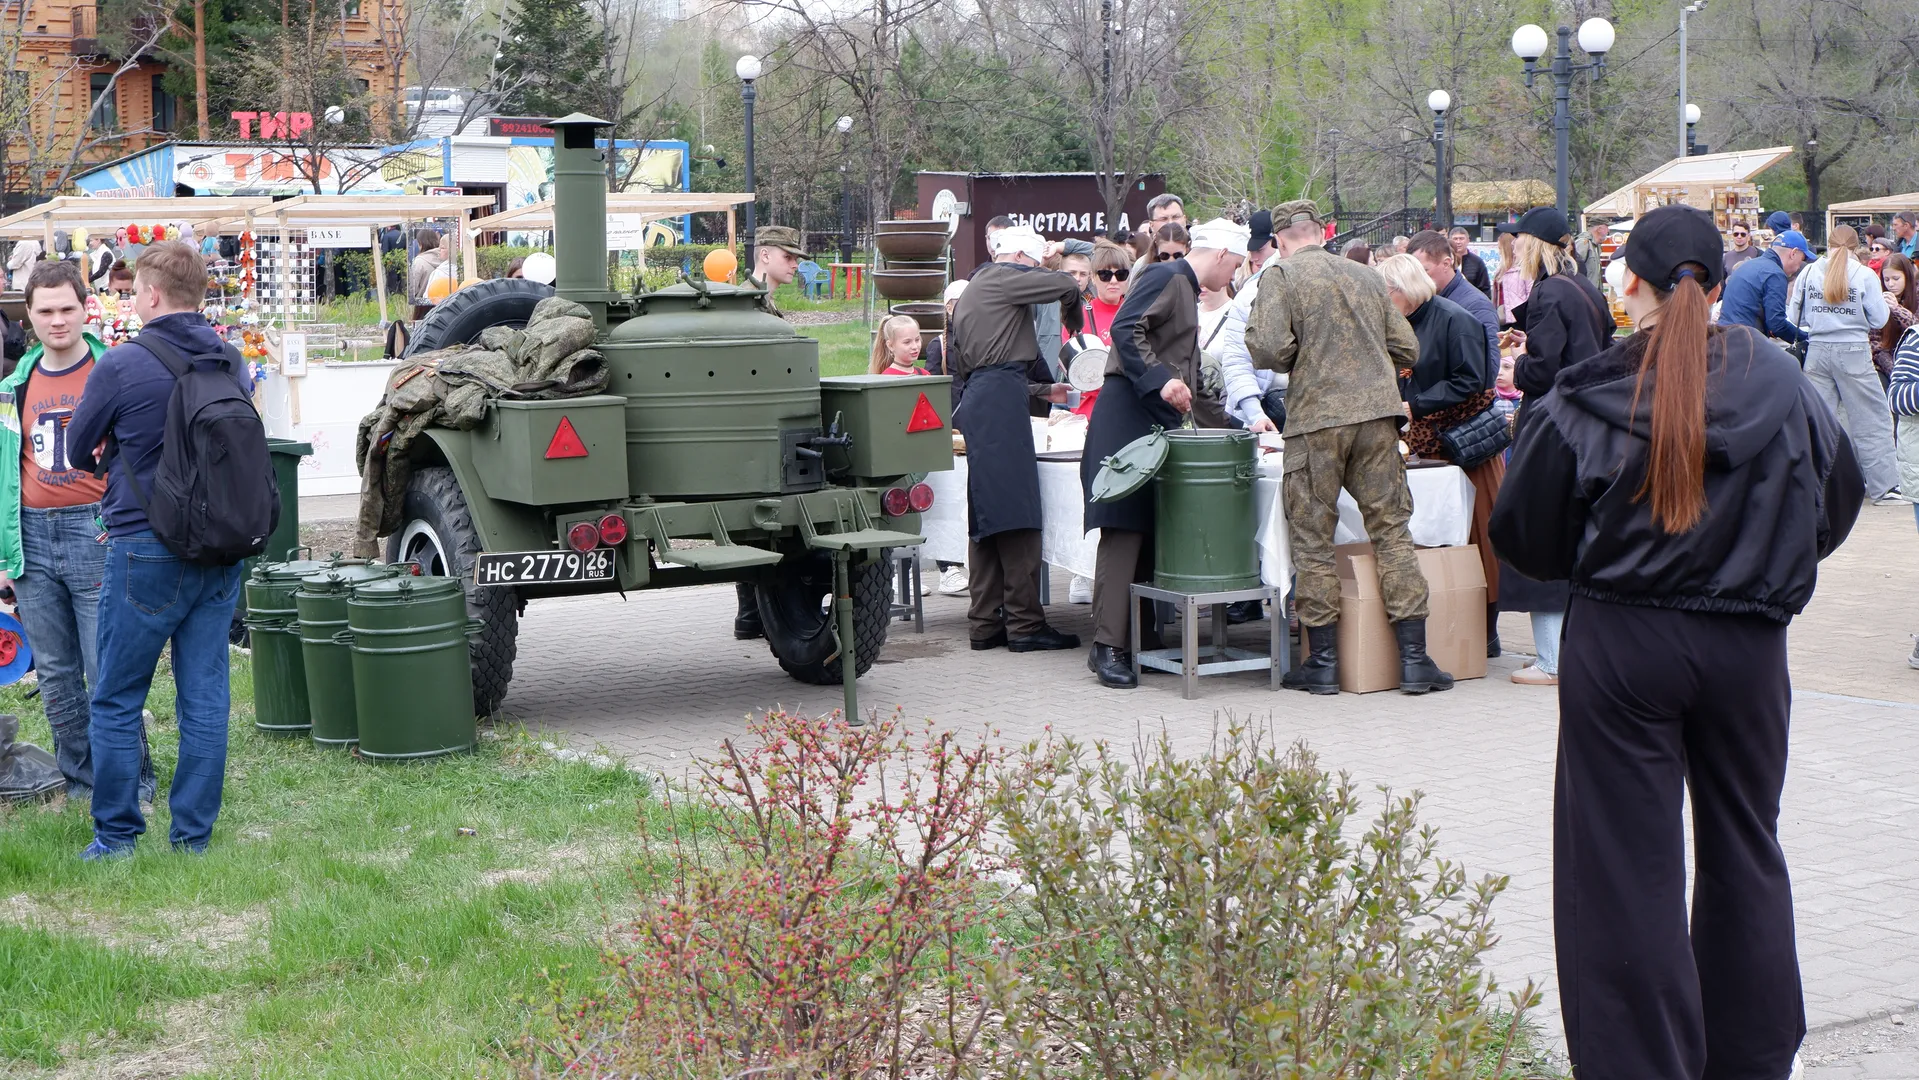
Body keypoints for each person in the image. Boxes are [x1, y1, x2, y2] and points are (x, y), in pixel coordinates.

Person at [1488, 202, 1862, 1080]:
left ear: (1628, 285)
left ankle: (1640, 1064)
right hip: (1747, 645)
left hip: (1623, 642)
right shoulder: (1782, 385)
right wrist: (1761, 566)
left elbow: (1526, 533)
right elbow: (1836, 502)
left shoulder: (1589, 393)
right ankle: (1752, 1057)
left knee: (1623, 865)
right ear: (1726, 284)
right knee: (1744, 846)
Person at [67, 241, 256, 859]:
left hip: (144, 549)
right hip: (220, 549)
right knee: (205, 698)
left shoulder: (122, 364)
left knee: (118, 696)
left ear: (150, 294)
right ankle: (192, 839)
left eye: (132, 289)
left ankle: (117, 837)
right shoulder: (230, 360)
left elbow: (75, 451)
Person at [1245, 200, 1449, 695]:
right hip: (1378, 418)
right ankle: (1416, 662)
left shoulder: (1281, 277)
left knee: (1313, 539)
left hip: (1317, 421)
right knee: (1392, 532)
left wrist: (1302, 353)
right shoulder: (1365, 274)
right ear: (1321, 231)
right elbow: (1409, 349)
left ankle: (1324, 665)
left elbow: (1267, 348)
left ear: (1279, 239)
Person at [4, 260, 155, 806]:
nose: (57, 320)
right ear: (29, 316)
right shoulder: (14, 385)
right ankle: (83, 782)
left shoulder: (114, 370)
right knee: (56, 673)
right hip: (32, 537)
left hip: (97, 531)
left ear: (85, 306)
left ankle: (134, 784)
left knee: (108, 667)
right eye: (45, 311)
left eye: (67, 307)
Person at [1081, 219, 1246, 688]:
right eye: (1233, 265)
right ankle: (1107, 646)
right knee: (1124, 530)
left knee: (1148, 533)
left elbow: (1189, 383)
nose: (1231, 275)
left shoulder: (1182, 286)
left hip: (1153, 421)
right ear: (1219, 255)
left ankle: (1141, 637)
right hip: (1126, 418)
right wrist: (1161, 380)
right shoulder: (1163, 276)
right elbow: (1126, 331)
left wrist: (1240, 426)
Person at [949, 224, 1082, 654]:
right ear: (1024, 259)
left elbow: (987, 371)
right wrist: (1072, 309)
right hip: (999, 405)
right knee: (1019, 513)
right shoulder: (1007, 277)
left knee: (987, 516)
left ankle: (985, 623)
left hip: (986, 399)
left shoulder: (976, 287)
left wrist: (1044, 391)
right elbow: (1064, 282)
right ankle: (1025, 624)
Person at [1498, 206, 1614, 686]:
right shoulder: (1584, 286)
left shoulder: (1548, 292)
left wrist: (1515, 369)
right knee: (1576, 537)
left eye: (1520, 240)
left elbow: (1544, 370)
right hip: (1587, 424)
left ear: (1536, 244)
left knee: (1540, 531)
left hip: (1552, 424)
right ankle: (1573, 656)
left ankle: (1551, 660)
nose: (1515, 247)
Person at [1378, 253, 1505, 657]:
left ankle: (1485, 628)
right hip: (1419, 441)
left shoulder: (1455, 319)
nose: (1382, 300)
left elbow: (1472, 380)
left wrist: (1417, 405)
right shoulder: (1400, 321)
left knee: (1478, 536)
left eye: (1386, 292)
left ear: (1403, 289)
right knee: (1432, 535)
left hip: (1463, 446)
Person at [734, 225, 811, 639]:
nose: (795, 264)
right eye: (788, 256)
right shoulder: (746, 303)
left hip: (762, 422)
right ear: (764, 255)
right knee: (758, 518)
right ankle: (753, 613)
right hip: (755, 424)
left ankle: (751, 615)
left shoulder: (758, 301)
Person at [1788, 224, 1896, 500]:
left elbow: (1793, 314)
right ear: (1855, 245)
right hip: (1853, 350)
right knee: (1871, 419)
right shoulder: (1863, 274)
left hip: (1817, 350)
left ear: (1830, 243)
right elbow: (1879, 320)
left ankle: (1813, 487)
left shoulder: (1809, 272)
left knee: (1816, 421)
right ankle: (1882, 487)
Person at [922, 279, 971, 598]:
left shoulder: (983, 338)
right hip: (951, 430)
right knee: (948, 499)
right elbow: (931, 389)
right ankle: (947, 566)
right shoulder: (938, 345)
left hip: (976, 426)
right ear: (949, 307)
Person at [1217, 210, 1286, 433]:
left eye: (1260, 249)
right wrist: (1255, 413)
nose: (1254, 256)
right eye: (1251, 250)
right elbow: (1237, 359)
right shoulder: (1249, 293)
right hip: (1257, 412)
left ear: (1279, 242)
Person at [1407, 230, 1500, 368]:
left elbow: (1489, 368)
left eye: (1424, 270)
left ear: (1446, 264)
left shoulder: (1476, 305)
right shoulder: (1423, 299)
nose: (1417, 278)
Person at [1717, 230, 1812, 345]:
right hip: (1746, 343)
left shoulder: (1748, 265)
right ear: (1793, 253)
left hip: (1724, 338)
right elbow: (1777, 324)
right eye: (1801, 260)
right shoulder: (1775, 274)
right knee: (1791, 363)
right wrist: (1806, 339)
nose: (1799, 267)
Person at [1875, 254, 1916, 388]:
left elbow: (1916, 330)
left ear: (1907, 276)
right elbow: (1876, 345)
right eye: (1886, 279)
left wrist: (1897, 309)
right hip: (1887, 364)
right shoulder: (1878, 299)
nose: (1890, 284)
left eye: (1896, 278)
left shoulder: (1916, 297)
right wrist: (1894, 372)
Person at [406, 230, 447, 320]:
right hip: (445, 304)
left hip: (423, 307)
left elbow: (413, 288)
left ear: (420, 243)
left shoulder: (419, 262)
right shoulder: (446, 259)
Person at [1494, 230, 1530, 328]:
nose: (1499, 252)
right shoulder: (1500, 270)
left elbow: (1530, 295)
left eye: (1500, 248)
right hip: (1502, 318)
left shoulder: (1524, 269)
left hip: (1519, 320)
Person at [1449, 226, 1492, 297]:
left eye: (1461, 238)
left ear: (1468, 240)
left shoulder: (1477, 262)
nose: (1458, 242)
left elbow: (1485, 288)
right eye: (1455, 239)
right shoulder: (1446, 262)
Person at [1572, 220, 1609, 286]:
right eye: (1606, 228)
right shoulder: (1583, 243)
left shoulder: (1596, 245)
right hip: (1584, 291)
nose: (1608, 231)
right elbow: (1573, 268)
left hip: (1592, 291)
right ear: (1599, 229)